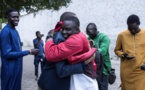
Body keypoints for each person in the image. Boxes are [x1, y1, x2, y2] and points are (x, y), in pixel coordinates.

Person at [44, 15, 98, 90]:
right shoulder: (74, 35)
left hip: (84, 81)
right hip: (80, 79)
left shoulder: (74, 40)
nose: (64, 32)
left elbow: (50, 55)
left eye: (68, 29)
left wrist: (49, 37)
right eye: (63, 29)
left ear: (77, 29)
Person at [0, 8, 39, 90]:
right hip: (9, 71)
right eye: (13, 17)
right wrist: (28, 51)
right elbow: (6, 54)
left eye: (17, 17)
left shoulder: (14, 30)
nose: (16, 19)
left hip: (17, 69)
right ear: (8, 17)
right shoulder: (5, 31)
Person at [114, 14, 145, 90]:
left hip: (140, 70)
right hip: (127, 70)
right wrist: (123, 55)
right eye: (129, 29)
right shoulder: (122, 35)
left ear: (139, 24)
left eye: (134, 28)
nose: (132, 31)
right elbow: (116, 50)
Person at [86, 23, 112, 90]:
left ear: (96, 30)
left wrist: (91, 51)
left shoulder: (104, 38)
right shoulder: (88, 38)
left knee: (102, 87)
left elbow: (102, 51)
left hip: (103, 68)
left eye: (91, 33)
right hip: (93, 69)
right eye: (88, 33)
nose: (89, 35)